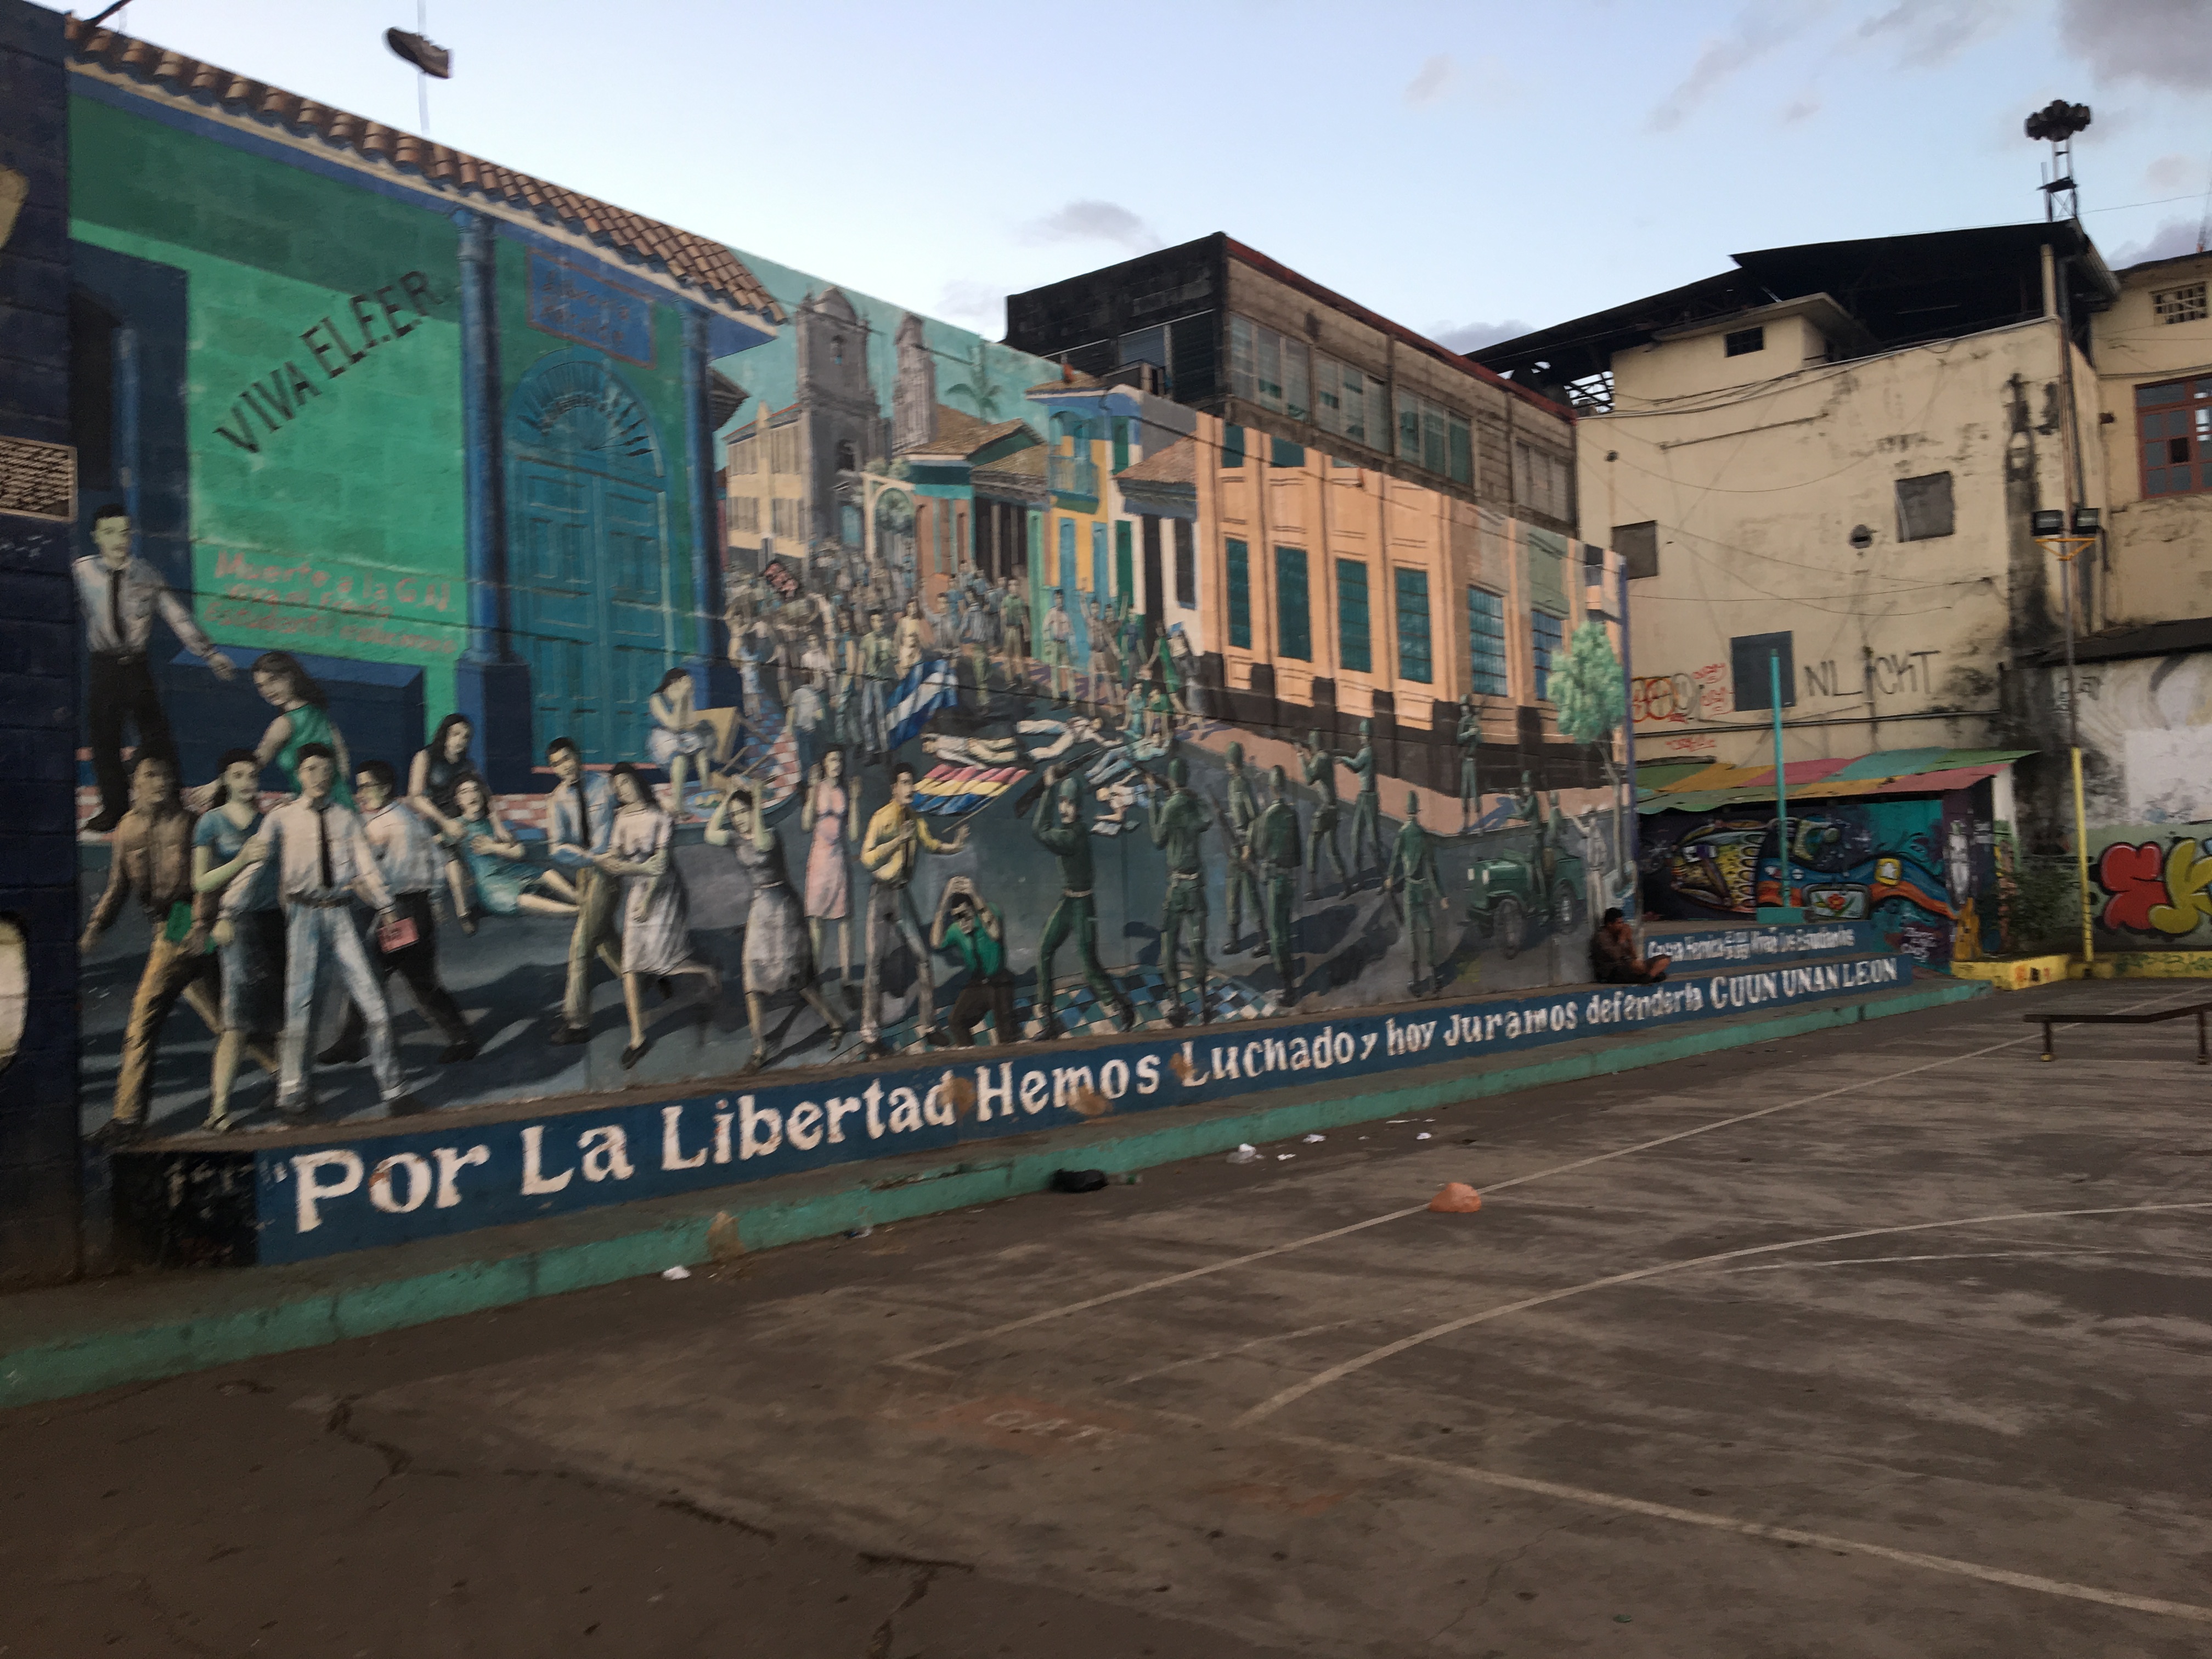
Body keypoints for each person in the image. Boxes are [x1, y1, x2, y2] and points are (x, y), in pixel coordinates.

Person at [233, 743, 418, 1119]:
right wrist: (227, 909)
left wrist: (386, 907)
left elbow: (367, 868)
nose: (320, 777)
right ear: (299, 774)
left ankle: (395, 1090)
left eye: (326, 770)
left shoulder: (347, 819)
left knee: (376, 1006)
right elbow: (255, 866)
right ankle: (293, 1094)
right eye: (312, 769)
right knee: (299, 1009)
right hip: (303, 918)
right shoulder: (281, 818)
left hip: (341, 916)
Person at [80, 754, 232, 1144]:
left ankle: (127, 1118)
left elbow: (206, 881)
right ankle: (283, 1075)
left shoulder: (190, 824)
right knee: (224, 1017)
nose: (161, 782)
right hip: (165, 925)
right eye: (151, 775)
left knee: (143, 1019)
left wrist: (200, 926)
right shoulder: (127, 828)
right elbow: (117, 887)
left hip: (186, 921)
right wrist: (96, 926)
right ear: (136, 784)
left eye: (166, 775)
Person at [74, 504, 236, 832]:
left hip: (137, 666)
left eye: (125, 532)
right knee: (104, 738)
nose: (119, 540)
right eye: (110, 533)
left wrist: (210, 654)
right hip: (103, 665)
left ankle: (172, 805)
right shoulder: (81, 571)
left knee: (157, 738)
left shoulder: (146, 574)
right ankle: (115, 809)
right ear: (96, 537)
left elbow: (177, 616)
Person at [319, 760, 478, 1069]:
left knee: (373, 972)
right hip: (414, 909)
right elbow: (436, 861)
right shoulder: (405, 818)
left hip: (400, 913)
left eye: (366, 786)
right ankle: (461, 1038)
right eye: (359, 787)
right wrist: (434, 898)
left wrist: (357, 883)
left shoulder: (388, 825)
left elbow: (382, 873)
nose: (361, 793)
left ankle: (351, 1042)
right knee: (417, 979)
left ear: (386, 787)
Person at [706, 781, 844, 1072]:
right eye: (734, 815)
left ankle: (835, 1022)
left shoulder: (770, 834)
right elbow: (710, 834)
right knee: (752, 980)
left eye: (743, 812)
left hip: (783, 908)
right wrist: (728, 798)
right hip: (761, 909)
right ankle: (759, 1048)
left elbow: (761, 844)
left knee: (798, 979)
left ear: (754, 811)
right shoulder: (736, 838)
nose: (738, 819)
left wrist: (755, 802)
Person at [595, 762, 720, 1069]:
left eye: (625, 783)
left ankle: (706, 972)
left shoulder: (660, 816)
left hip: (663, 893)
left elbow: (661, 866)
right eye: (617, 788)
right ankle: (637, 1037)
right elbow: (613, 861)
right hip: (638, 891)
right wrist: (634, 867)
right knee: (630, 966)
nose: (622, 791)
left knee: (666, 963)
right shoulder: (621, 818)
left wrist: (646, 897)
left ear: (637, 782)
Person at [191, 748, 285, 1131]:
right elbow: (201, 882)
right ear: (225, 781)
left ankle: (285, 1089)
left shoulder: (268, 822)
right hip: (236, 926)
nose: (248, 783)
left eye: (252, 775)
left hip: (274, 924)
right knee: (236, 1023)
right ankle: (218, 1110)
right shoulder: (211, 822)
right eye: (238, 775)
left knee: (280, 1018)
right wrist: (242, 859)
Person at [856, 760, 967, 1056]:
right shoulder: (881, 818)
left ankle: (928, 1025)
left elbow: (932, 845)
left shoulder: (916, 820)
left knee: (923, 958)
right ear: (894, 788)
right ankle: (870, 1033)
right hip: (881, 896)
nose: (910, 789)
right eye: (904, 783)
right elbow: (867, 858)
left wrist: (956, 846)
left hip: (902, 896)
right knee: (874, 965)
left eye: (911, 783)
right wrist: (898, 841)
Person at [1032, 768, 1134, 1037]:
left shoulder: (1073, 836)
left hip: (1083, 906)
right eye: (1062, 802)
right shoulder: (1070, 831)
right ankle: (1049, 1019)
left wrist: (1048, 789)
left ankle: (1120, 1007)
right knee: (1045, 950)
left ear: (1078, 807)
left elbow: (1040, 830)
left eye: (1070, 803)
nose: (1065, 808)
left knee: (1089, 966)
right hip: (1069, 901)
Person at [544, 736, 620, 1047]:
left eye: (567, 759)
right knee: (603, 938)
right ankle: (640, 978)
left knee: (581, 944)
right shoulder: (556, 801)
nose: (564, 767)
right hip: (586, 872)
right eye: (557, 764)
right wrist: (588, 857)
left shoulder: (606, 784)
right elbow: (557, 848)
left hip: (609, 871)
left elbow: (632, 808)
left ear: (578, 756)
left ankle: (577, 1022)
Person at [449, 775, 579, 917]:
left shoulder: (494, 823)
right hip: (490, 882)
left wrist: (493, 846)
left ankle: (579, 899)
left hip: (512, 869)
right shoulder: (456, 826)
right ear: (458, 800)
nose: (472, 795)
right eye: (465, 792)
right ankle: (575, 911)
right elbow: (441, 846)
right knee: (524, 900)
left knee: (547, 874)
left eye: (475, 790)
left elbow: (519, 852)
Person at [1148, 754, 1213, 1026]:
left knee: (1169, 942)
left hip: (1177, 886)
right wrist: (1191, 796)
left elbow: (1158, 840)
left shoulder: (1171, 806)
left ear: (1172, 780)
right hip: (1196, 884)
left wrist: (1154, 799)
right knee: (1198, 944)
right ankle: (1204, 1002)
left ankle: (1176, 1002)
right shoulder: (1193, 805)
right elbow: (1207, 820)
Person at [407, 712, 481, 932]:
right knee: (451, 858)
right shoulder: (426, 757)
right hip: (434, 816)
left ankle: (454, 904)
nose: (460, 740)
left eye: (466, 737)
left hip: (463, 819)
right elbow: (415, 796)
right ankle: (462, 913)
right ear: (445, 734)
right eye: (455, 734)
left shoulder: (468, 764)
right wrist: (445, 822)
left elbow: (481, 792)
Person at [251, 652, 351, 805]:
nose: (267, 690)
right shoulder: (319, 714)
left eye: (273, 680)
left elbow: (250, 768)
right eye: (261, 685)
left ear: (291, 676)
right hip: (340, 804)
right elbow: (343, 765)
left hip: (321, 808)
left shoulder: (284, 724)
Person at [931, 875, 1017, 1045]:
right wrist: (944, 902)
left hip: (999, 981)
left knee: (1005, 1032)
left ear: (974, 909)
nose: (962, 922)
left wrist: (975, 894)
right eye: (957, 917)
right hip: (978, 984)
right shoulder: (957, 929)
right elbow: (936, 942)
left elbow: (995, 933)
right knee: (956, 1020)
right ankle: (969, 1053)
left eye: (965, 915)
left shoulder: (989, 912)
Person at [802, 748, 858, 990]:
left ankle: (846, 979)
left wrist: (855, 800)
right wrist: (812, 789)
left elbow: (854, 835)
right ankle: (814, 976)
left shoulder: (844, 791)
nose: (837, 764)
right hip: (819, 860)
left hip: (838, 860)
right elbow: (806, 825)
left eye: (840, 760)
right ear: (824, 763)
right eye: (833, 759)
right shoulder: (818, 788)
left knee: (844, 919)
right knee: (816, 920)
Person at [1254, 765, 1304, 1007]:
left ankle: (1287, 987)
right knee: (1285, 927)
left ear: (1271, 788)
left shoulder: (1269, 816)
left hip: (1275, 879)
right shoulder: (1291, 814)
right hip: (1290, 878)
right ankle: (1289, 984)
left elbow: (1260, 848)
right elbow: (1298, 852)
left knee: (1278, 934)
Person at [1385, 791, 1442, 998]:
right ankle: (1434, 975)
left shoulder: (1403, 834)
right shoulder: (1423, 836)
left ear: (1406, 810)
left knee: (1412, 934)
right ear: (1418, 811)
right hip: (1423, 888)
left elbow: (1395, 858)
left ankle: (1415, 979)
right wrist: (1441, 895)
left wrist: (1390, 876)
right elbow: (1432, 869)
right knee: (1428, 930)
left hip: (1410, 889)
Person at [648, 668, 716, 821]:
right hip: (662, 736)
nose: (689, 684)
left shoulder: (686, 694)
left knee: (701, 752)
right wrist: (680, 699)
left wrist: (688, 697)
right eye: (685, 682)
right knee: (680, 759)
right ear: (674, 682)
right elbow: (673, 725)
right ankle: (679, 805)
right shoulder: (657, 699)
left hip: (681, 734)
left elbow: (690, 722)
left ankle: (706, 792)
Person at [1296, 730, 1350, 900]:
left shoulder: (1320, 759)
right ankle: (1346, 884)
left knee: (1312, 845)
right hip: (1333, 808)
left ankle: (1314, 888)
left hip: (1326, 810)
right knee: (1332, 849)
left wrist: (1300, 756)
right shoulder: (1324, 758)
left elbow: (1309, 778)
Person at [1221, 741, 1262, 954]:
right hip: (1234, 846)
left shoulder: (1244, 785)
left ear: (1236, 763)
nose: (1227, 765)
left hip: (1245, 846)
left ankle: (1263, 939)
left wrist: (1249, 847)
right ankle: (1234, 939)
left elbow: (1254, 818)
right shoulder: (1232, 785)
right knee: (1232, 893)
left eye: (1230, 762)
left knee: (1251, 893)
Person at [1342, 718, 1383, 877]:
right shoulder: (1366, 752)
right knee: (1357, 835)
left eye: (1363, 734)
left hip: (1369, 798)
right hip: (1364, 796)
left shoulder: (1366, 752)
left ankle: (1381, 874)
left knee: (1371, 839)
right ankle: (1362, 873)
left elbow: (1356, 766)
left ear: (1369, 736)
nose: (1361, 737)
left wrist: (1343, 759)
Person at [1592, 907, 1671, 984]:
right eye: (1619, 923)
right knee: (1643, 969)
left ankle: (1648, 977)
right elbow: (1615, 956)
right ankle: (1649, 977)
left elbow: (1634, 956)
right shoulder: (1601, 937)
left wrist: (1629, 940)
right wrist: (1622, 939)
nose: (1622, 926)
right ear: (1610, 924)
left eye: (1623, 922)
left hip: (1628, 966)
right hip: (1612, 972)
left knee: (1664, 959)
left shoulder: (1618, 934)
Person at [1456, 694, 1482, 832]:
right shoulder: (1462, 722)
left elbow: (1481, 741)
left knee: (1475, 792)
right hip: (1465, 762)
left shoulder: (1474, 721)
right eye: (1462, 706)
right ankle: (1465, 824)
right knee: (1464, 793)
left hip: (1473, 762)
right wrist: (1469, 733)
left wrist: (1476, 732)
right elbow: (1459, 739)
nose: (1464, 709)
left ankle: (1480, 824)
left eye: (1465, 706)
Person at [1042, 589, 1074, 703]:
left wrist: (1074, 648)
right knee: (1055, 672)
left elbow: (1071, 632)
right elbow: (1045, 628)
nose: (1059, 601)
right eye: (1057, 598)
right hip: (1055, 644)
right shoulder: (1051, 613)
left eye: (1061, 598)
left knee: (1069, 671)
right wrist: (1047, 645)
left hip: (1064, 645)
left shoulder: (1066, 615)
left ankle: (1073, 699)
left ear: (1063, 599)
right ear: (1054, 600)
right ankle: (1056, 698)